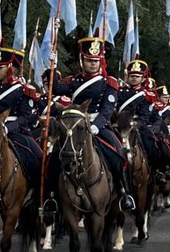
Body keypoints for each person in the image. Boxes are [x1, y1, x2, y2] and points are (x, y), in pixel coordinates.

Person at [49, 36, 137, 212]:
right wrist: (52, 66)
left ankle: (123, 193)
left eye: (96, 61)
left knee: (119, 154)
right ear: (82, 61)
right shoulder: (73, 82)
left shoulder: (108, 82)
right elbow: (56, 89)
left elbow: (108, 109)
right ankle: (51, 197)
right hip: (74, 126)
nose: (93, 64)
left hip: (98, 126)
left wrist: (96, 125)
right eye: (89, 60)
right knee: (54, 158)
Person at [0, 46, 43, 184]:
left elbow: (25, 117)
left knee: (38, 157)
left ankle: (35, 191)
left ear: (11, 68)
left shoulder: (24, 90)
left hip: (16, 131)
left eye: (0, 67)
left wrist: (7, 128)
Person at [116, 58, 170, 173]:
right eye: (132, 75)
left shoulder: (147, 95)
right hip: (120, 125)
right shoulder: (119, 92)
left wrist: (136, 125)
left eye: (137, 76)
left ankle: (157, 170)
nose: (134, 78)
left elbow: (145, 116)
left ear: (143, 78)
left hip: (138, 126)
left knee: (151, 146)